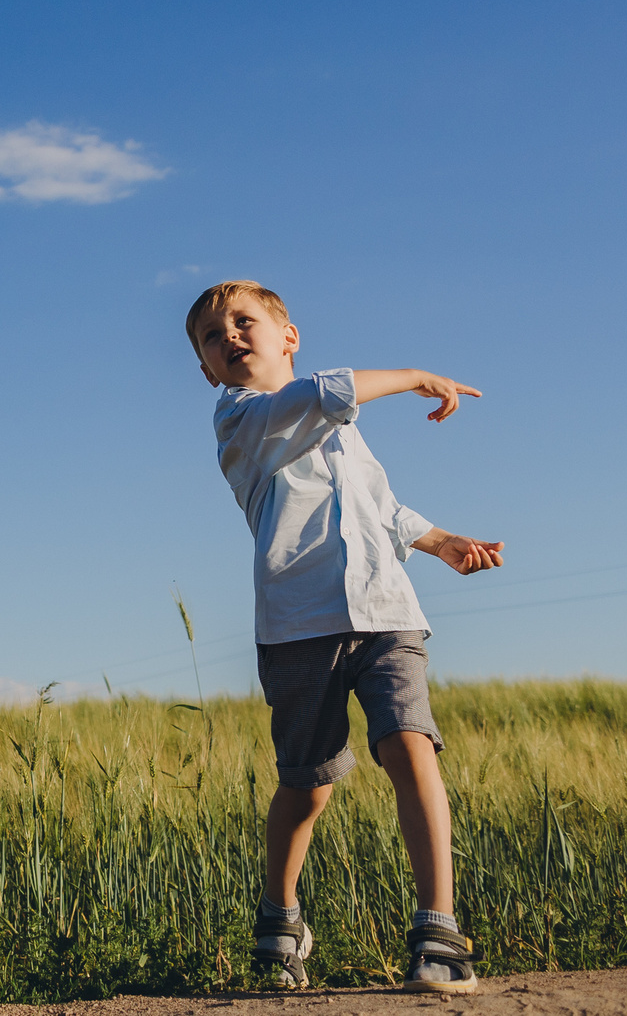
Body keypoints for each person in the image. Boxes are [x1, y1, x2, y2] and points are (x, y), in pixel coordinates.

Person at [186, 279, 505, 994]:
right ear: (207, 369)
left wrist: (442, 540)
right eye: (213, 335)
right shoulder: (242, 421)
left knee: (409, 746)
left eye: (244, 321)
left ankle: (438, 930)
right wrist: (418, 376)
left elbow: (382, 507)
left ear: (288, 335)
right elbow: (320, 396)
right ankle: (281, 918)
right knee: (308, 787)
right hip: (300, 628)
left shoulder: (340, 425)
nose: (230, 335)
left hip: (388, 612)